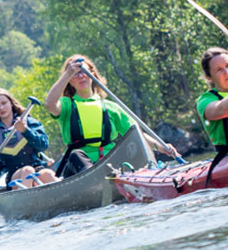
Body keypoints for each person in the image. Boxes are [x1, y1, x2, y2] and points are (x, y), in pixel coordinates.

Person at [44, 54, 179, 176]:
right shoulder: (67, 105)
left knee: (128, 153)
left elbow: (137, 135)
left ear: (92, 75)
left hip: (110, 163)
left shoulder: (111, 107)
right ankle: (93, 178)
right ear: (70, 81)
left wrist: (161, 146)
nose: (81, 76)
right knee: (76, 155)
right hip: (79, 167)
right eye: (75, 74)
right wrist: (68, 73)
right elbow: (49, 104)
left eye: (84, 72)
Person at [0, 88, 58, 189]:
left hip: (37, 168)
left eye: (4, 103)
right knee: (27, 170)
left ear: (11, 103)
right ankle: (27, 202)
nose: (1, 108)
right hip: (14, 177)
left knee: (48, 174)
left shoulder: (29, 122)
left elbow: (43, 145)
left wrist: (25, 131)